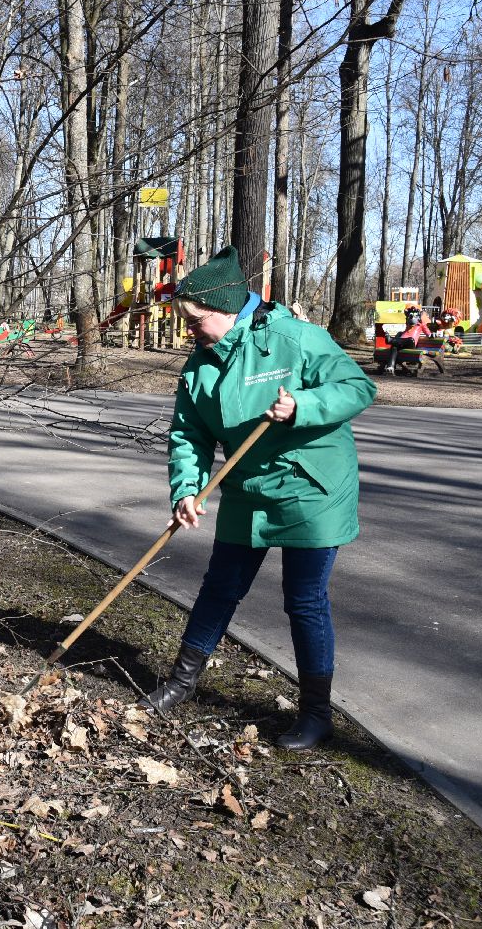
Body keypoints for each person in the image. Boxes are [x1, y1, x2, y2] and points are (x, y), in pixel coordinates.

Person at [144, 246, 378, 751]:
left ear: (228, 311)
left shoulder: (293, 338)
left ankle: (316, 713)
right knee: (220, 587)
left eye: (195, 319)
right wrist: (186, 489)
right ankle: (181, 683)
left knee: (304, 600)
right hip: (247, 490)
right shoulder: (200, 365)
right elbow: (189, 435)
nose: (189, 330)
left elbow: (357, 386)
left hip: (310, 488)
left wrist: (305, 404)